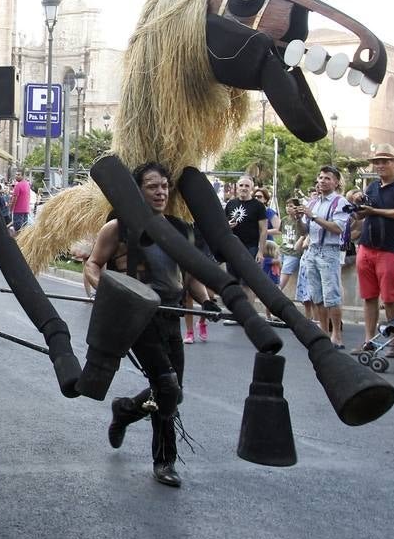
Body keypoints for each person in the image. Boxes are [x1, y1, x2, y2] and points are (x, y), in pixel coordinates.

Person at [84, 161, 216, 488]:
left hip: (171, 316)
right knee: (167, 386)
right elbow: (93, 266)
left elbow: (188, 280)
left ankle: (126, 410)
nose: (160, 192)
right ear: (137, 190)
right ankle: (164, 461)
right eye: (152, 186)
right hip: (138, 318)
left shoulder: (181, 229)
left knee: (171, 391)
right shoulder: (118, 228)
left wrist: (208, 302)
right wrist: (112, 294)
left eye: (164, 186)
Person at [347, 144, 394, 357]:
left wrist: (374, 210)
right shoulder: (373, 187)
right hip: (367, 247)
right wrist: (356, 205)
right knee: (369, 297)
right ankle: (369, 340)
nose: (380, 165)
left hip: (390, 250)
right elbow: (361, 216)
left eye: (385, 161)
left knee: (390, 299)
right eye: (377, 162)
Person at [292, 166, 352, 347]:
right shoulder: (313, 203)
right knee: (316, 294)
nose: (322, 181)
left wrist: (313, 216)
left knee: (331, 295)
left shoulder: (339, 202)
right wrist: (297, 218)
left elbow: (338, 228)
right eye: (320, 177)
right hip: (312, 250)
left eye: (327, 178)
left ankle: (337, 336)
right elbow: (304, 231)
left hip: (329, 251)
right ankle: (324, 333)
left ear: (336, 182)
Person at [223, 176, 267, 324]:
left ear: (251, 188)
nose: (243, 188)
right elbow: (222, 225)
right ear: (237, 187)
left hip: (251, 247)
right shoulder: (230, 204)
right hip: (232, 247)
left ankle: (249, 316)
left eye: (247, 186)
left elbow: (264, 230)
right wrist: (227, 226)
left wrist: (261, 251)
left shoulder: (258, 206)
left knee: (247, 283)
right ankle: (236, 314)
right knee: (233, 282)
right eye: (241, 185)